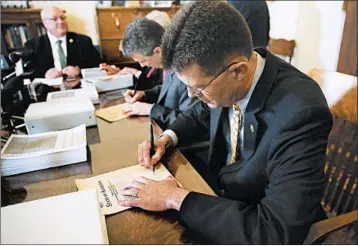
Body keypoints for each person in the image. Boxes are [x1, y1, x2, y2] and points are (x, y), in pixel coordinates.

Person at [119, 1, 333, 244]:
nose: (191, 96)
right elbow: (202, 112)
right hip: (222, 200)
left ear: (238, 71)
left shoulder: (301, 112)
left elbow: (273, 231)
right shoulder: (226, 80)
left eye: (198, 89)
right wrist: (166, 138)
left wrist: (176, 198)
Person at [104, 17, 205, 130]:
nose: (142, 66)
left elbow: (191, 122)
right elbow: (170, 89)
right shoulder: (170, 59)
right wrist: (145, 94)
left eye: (143, 61)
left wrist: (150, 110)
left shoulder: (187, 70)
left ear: (158, 51)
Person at [25, 5, 102, 101]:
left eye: (62, 18)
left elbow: (98, 66)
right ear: (45, 23)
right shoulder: (33, 45)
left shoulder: (83, 41)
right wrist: (45, 74)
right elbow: (27, 74)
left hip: (79, 93)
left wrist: (79, 70)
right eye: (54, 19)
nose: (60, 22)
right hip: (48, 96)